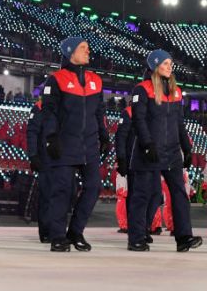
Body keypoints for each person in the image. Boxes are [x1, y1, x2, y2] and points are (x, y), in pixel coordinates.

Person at [126, 49, 202, 252]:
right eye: (166, 63)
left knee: (179, 194)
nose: (170, 67)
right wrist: (148, 144)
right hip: (148, 151)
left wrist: (186, 147)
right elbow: (138, 120)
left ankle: (184, 237)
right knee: (143, 195)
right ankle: (136, 238)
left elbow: (179, 123)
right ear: (155, 66)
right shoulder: (142, 90)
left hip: (172, 152)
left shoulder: (176, 92)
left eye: (171, 63)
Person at [41, 37, 109, 252]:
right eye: (83, 48)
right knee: (62, 190)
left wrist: (104, 135)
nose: (88, 51)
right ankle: (58, 236)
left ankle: (76, 231)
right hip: (64, 143)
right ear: (70, 53)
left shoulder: (95, 81)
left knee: (93, 187)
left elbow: (100, 112)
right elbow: (49, 112)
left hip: (89, 144)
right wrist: (51, 137)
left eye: (88, 48)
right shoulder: (56, 80)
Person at [115, 104, 159, 243]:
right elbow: (120, 137)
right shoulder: (128, 112)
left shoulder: (154, 110)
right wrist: (121, 158)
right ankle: (137, 231)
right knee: (136, 197)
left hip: (152, 159)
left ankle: (144, 227)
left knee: (156, 194)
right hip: (134, 161)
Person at [26, 98, 51, 242]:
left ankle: (57, 230)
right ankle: (46, 231)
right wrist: (33, 155)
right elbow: (32, 133)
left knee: (61, 196)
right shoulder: (39, 107)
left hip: (62, 158)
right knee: (46, 196)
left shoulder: (66, 103)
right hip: (45, 158)